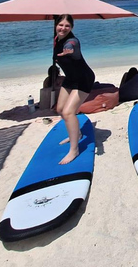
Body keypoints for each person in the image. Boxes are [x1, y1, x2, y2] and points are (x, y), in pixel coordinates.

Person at [53, 14, 96, 164]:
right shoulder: (56, 39)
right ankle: (76, 134)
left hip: (84, 79)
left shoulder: (72, 41)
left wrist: (69, 49)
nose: (63, 28)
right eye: (61, 25)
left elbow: (73, 46)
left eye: (67, 26)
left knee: (68, 112)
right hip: (70, 78)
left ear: (71, 28)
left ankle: (74, 150)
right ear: (56, 25)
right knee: (59, 109)